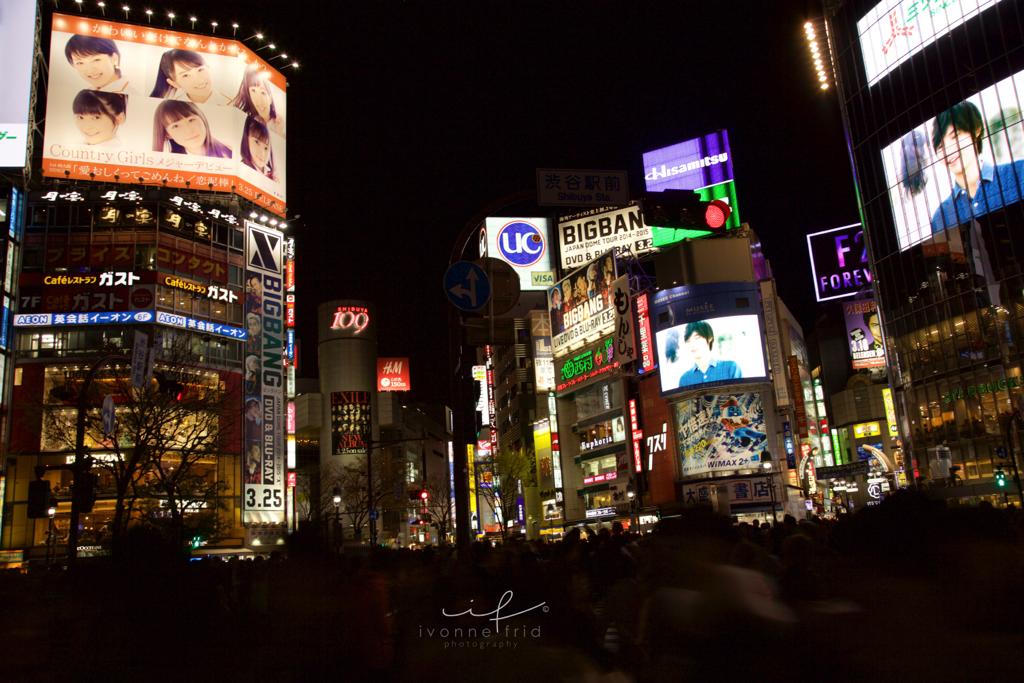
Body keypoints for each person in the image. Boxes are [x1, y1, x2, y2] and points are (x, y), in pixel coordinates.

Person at [930, 100, 1024, 234]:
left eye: (955, 136)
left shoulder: (1019, 174)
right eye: (940, 146)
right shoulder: (941, 218)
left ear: (976, 130)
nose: (948, 151)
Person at [153, 100, 232, 158]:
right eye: (175, 126)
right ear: (167, 134)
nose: (189, 131)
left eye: (191, 120)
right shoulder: (170, 165)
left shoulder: (231, 150)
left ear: (202, 119)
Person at [150, 49, 230, 104]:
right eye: (185, 75)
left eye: (200, 70)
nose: (199, 80)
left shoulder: (230, 104)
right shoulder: (172, 108)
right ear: (174, 83)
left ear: (209, 67)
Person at [678, 320, 741, 388]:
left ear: (710, 338)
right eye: (688, 341)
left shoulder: (731, 368)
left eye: (697, 338)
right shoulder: (684, 380)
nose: (692, 344)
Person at [64, 35, 136, 93]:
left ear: (114, 58)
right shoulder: (88, 93)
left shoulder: (131, 96)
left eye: (96, 60)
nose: (89, 70)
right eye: (80, 63)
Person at [231, 68, 285, 135]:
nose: (259, 100)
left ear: (270, 98)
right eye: (253, 91)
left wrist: (279, 131)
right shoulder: (250, 121)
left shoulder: (278, 123)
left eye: (263, 93)